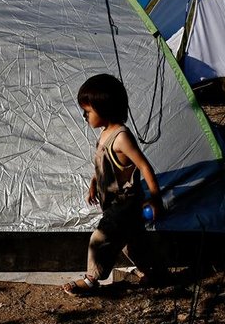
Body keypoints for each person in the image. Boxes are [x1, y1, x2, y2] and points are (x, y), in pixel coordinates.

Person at [62, 73, 166, 297]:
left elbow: (144, 166)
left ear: (104, 108)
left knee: (99, 239)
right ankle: (153, 271)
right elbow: (103, 164)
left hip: (124, 203)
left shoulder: (121, 137)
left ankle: (91, 280)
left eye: (88, 111)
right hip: (112, 203)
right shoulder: (104, 134)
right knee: (131, 242)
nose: (85, 116)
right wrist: (93, 183)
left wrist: (155, 198)